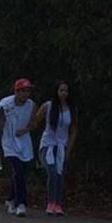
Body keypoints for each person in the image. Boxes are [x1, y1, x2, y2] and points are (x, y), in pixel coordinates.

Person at [0, 78, 37, 217]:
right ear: (16, 91)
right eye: (23, 91)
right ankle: (21, 203)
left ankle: (11, 198)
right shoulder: (5, 105)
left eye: (28, 91)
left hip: (24, 141)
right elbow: (0, 125)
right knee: (17, 170)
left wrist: (25, 130)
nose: (25, 94)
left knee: (22, 173)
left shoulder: (31, 105)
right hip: (9, 141)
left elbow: (33, 123)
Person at [35, 81, 79, 216]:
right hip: (48, 145)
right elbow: (36, 120)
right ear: (56, 91)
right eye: (61, 90)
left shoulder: (71, 109)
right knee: (52, 172)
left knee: (60, 175)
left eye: (66, 91)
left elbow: (73, 130)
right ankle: (50, 202)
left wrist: (68, 150)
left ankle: (58, 204)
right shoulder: (48, 106)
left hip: (61, 146)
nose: (63, 93)